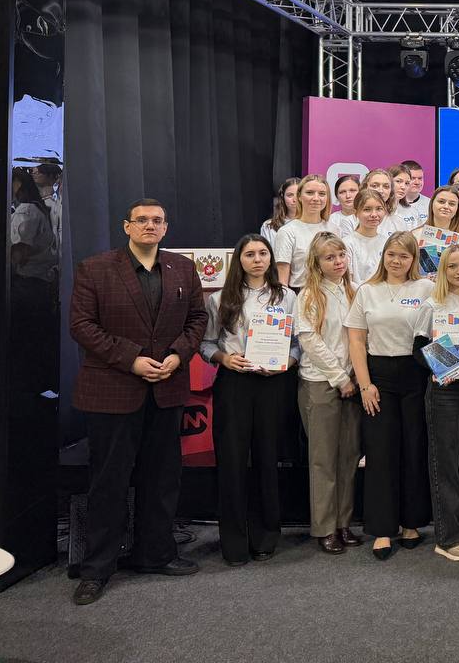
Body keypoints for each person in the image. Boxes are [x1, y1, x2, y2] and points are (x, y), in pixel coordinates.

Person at [68, 198, 208, 605]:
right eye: (142, 220)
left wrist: (179, 355)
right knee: (109, 482)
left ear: (165, 228)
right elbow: (81, 325)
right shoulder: (95, 268)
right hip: (113, 391)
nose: (150, 225)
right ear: (126, 226)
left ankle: (155, 554)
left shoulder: (182, 268)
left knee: (162, 478)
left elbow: (197, 319)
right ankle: (97, 568)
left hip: (167, 388)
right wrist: (131, 359)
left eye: (157, 220)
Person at [201, 234, 298, 566]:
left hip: (272, 384)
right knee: (232, 461)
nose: (257, 260)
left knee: (267, 460)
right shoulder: (219, 299)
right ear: (238, 260)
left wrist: (287, 362)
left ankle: (265, 536)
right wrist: (224, 359)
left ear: (270, 258)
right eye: (250, 254)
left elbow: (298, 344)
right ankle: (234, 542)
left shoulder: (287, 296)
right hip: (234, 383)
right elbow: (206, 344)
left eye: (263, 253)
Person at [344, 232, 433, 560]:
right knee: (380, 453)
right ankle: (382, 529)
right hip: (378, 376)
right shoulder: (367, 290)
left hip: (415, 373)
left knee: (414, 448)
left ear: (413, 259)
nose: (397, 261)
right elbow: (356, 340)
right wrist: (365, 384)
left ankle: (411, 523)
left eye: (404, 256)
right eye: (392, 254)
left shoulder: (425, 289)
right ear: (384, 256)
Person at [414, 245, 459, 562]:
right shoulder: (432, 304)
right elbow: (418, 349)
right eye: (453, 266)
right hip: (444, 389)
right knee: (445, 462)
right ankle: (448, 536)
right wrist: (444, 365)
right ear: (443, 270)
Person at [295, 232, 362, 555]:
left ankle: (343, 522)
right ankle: (324, 527)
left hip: (353, 382)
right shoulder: (310, 294)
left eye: (341, 255)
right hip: (321, 382)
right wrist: (339, 378)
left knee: (349, 456)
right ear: (316, 262)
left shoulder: (355, 290)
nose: (337, 262)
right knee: (323, 459)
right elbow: (311, 341)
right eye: (329, 257)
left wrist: (356, 377)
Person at [273, 175, 332, 289]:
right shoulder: (287, 232)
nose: (316, 198)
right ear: (299, 196)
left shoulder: (335, 229)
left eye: (322, 194)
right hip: (300, 293)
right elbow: (282, 281)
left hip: (331, 294)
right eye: (310, 193)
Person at [344, 188, 390, 285]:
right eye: (367, 209)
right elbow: (348, 282)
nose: (374, 214)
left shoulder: (387, 242)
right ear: (356, 212)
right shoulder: (347, 243)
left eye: (379, 209)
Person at [260, 177, 300, 248]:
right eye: (290, 195)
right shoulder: (268, 226)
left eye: (298, 195)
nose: (295, 200)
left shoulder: (314, 224)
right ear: (282, 198)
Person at [362, 169, 402, 235]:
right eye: (374, 186)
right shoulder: (353, 220)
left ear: (391, 191)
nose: (380, 191)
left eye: (386, 186)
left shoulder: (398, 222)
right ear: (365, 188)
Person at [390, 163, 426, 231]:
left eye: (407, 183)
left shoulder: (412, 211)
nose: (403, 187)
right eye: (398, 181)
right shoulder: (378, 211)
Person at [399, 159, 430, 224]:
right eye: (413, 178)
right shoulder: (391, 205)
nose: (417, 182)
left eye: (420, 178)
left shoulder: (430, 204)